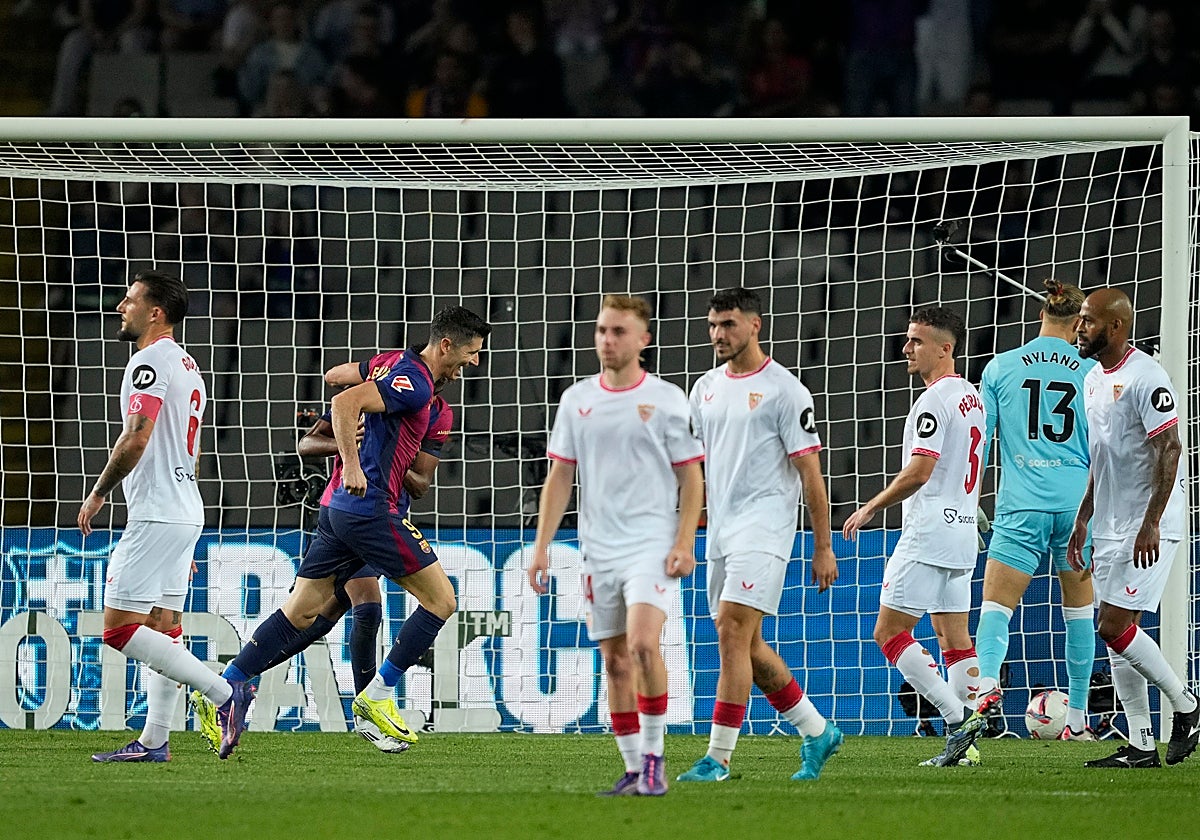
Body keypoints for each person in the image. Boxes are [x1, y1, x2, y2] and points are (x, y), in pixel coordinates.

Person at [192, 305, 490, 758]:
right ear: (446, 344)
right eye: (470, 352)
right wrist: (352, 460)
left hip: (335, 511)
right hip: (371, 510)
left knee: (302, 610)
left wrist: (366, 419)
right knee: (441, 599)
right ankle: (376, 695)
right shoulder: (415, 383)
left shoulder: (397, 369)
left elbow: (337, 377)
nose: (474, 363)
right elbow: (344, 400)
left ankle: (227, 685)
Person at [527, 295, 704, 797]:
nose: (607, 339)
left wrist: (684, 540)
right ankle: (632, 768)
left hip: (651, 543)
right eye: (602, 330)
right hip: (597, 547)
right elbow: (560, 476)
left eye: (618, 331)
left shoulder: (668, 399)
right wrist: (541, 546)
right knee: (615, 661)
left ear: (643, 340)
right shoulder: (577, 399)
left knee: (645, 644)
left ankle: (654, 761)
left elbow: (692, 478)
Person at [81, 269, 250, 762]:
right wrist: (181, 532)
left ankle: (225, 693)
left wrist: (98, 493)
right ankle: (154, 741)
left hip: (157, 511)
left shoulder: (148, 361)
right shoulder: (189, 364)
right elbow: (187, 450)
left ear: (155, 312)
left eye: (129, 300)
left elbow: (137, 436)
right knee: (162, 625)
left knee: (118, 629)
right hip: (182, 508)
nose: (120, 307)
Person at [677, 287, 842, 784]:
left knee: (730, 631)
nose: (717, 334)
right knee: (746, 645)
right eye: (712, 325)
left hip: (766, 528)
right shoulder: (704, 388)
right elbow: (692, 468)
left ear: (755, 325)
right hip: (723, 532)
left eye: (727, 324)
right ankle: (817, 732)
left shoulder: (786, 391)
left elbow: (811, 476)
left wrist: (823, 545)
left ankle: (718, 758)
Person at [262, 388, 450, 753]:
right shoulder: (364, 399)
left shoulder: (438, 413)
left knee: (323, 614)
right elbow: (308, 443)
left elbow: (422, 483)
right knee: (366, 607)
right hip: (349, 509)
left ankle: (239, 678)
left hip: (387, 518)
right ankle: (369, 712)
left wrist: (393, 454)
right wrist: (347, 447)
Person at [842, 306, 987, 767]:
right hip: (964, 533)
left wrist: (869, 507)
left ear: (946, 348)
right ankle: (967, 752)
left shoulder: (933, 402)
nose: (906, 348)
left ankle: (958, 716)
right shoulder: (972, 396)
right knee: (955, 639)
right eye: (907, 340)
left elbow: (920, 471)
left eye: (916, 341)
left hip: (929, 532)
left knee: (888, 632)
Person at [1067, 287, 1198, 768]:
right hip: (1111, 520)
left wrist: (1152, 522)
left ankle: (1186, 705)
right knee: (1118, 634)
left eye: (1086, 320)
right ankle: (1143, 742)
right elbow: (1101, 457)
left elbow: (1171, 449)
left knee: (1113, 626)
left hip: (1149, 524)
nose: (1079, 328)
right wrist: (1084, 516)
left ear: (1115, 327)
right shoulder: (1092, 380)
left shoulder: (1148, 377)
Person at [973, 280, 1098, 740]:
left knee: (995, 607)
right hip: (1076, 509)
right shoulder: (1091, 369)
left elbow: (979, 444)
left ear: (1041, 315)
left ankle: (985, 691)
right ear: (1078, 323)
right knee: (1080, 613)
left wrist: (972, 504)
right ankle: (1078, 721)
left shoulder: (1000, 367)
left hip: (1020, 505)